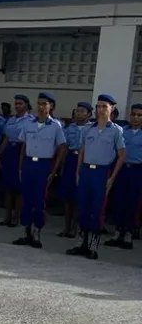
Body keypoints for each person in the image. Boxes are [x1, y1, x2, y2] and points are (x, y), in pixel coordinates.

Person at [67, 95, 126, 260]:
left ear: (111, 109)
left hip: (102, 172)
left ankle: (93, 246)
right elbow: (82, 151)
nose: (101, 110)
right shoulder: (88, 129)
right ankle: (81, 243)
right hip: (86, 171)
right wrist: (78, 172)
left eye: (104, 106)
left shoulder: (116, 130)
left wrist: (112, 178)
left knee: (97, 209)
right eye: (98, 106)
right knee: (83, 207)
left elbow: (122, 155)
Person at [13, 92, 66, 249]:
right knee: (26, 198)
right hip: (29, 163)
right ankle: (25, 232)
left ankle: (37, 232)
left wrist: (54, 169)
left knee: (39, 200)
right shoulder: (29, 123)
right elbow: (24, 145)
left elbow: (62, 147)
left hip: (44, 165)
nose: (41, 107)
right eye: (39, 103)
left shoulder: (56, 125)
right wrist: (21, 166)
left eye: (45, 104)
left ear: (51, 107)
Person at [105, 102, 142, 249]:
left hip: (137, 170)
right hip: (122, 169)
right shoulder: (122, 131)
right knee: (119, 200)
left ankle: (128, 234)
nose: (136, 118)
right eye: (133, 114)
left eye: (139, 115)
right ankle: (117, 232)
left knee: (133, 202)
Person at [0, 94, 32, 227]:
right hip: (10, 152)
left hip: (21, 151)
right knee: (7, 186)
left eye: (20, 103)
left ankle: (16, 217)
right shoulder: (11, 120)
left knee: (18, 187)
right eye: (16, 104)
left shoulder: (30, 120)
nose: (18, 106)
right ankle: (7, 217)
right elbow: (6, 138)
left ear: (26, 105)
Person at [57, 102, 92, 237]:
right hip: (71, 159)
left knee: (78, 197)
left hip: (84, 161)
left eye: (83, 111)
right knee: (67, 196)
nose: (79, 114)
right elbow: (65, 147)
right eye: (77, 111)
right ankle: (66, 227)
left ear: (89, 114)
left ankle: (75, 228)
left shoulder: (91, 129)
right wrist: (62, 165)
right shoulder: (69, 128)